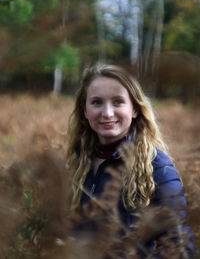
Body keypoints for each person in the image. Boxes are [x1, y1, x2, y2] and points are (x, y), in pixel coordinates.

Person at [66, 64, 193, 257]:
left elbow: (181, 246)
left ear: (135, 109)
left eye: (118, 102)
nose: (107, 113)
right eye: (97, 102)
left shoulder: (158, 167)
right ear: (85, 110)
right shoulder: (75, 163)